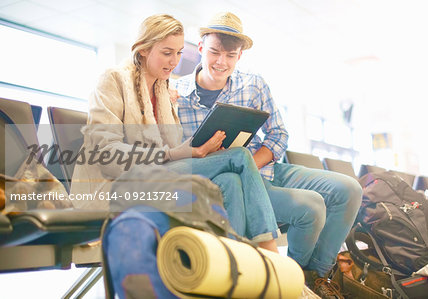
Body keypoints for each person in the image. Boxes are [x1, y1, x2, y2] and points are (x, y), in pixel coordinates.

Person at [173, 11, 363, 296]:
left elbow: (279, 135)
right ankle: (289, 283)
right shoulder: (176, 95)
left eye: (231, 55)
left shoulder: (253, 84)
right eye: (214, 52)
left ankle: (316, 278)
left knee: (349, 189)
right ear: (200, 47)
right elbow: (179, 159)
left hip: (267, 167)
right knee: (311, 207)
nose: (221, 62)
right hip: (230, 183)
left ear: (239, 56)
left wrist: (253, 162)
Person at [70, 14, 280, 252]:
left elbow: (173, 153)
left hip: (157, 176)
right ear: (143, 50)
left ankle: (232, 269)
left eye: (179, 53)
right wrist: (172, 153)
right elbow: (107, 154)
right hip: (119, 185)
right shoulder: (113, 80)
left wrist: (200, 150)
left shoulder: (164, 90)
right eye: (167, 53)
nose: (174, 61)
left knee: (229, 180)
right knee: (240, 156)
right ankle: (268, 250)